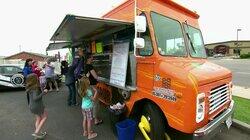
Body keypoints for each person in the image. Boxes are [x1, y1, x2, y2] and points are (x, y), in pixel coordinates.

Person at [26, 73, 48, 139]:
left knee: (38, 118)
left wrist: (42, 89)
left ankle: (38, 134)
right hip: (37, 106)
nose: (38, 78)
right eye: (37, 77)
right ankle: (36, 132)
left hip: (31, 106)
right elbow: (35, 98)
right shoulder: (35, 88)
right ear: (35, 79)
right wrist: (44, 92)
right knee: (44, 117)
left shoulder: (29, 87)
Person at [85, 53, 103, 125]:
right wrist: (99, 77)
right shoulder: (89, 66)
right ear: (89, 58)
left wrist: (96, 73)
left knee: (92, 102)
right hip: (93, 86)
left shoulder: (86, 66)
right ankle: (96, 120)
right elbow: (95, 77)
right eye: (92, 57)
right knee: (96, 103)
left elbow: (89, 75)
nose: (93, 58)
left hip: (88, 86)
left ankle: (92, 117)